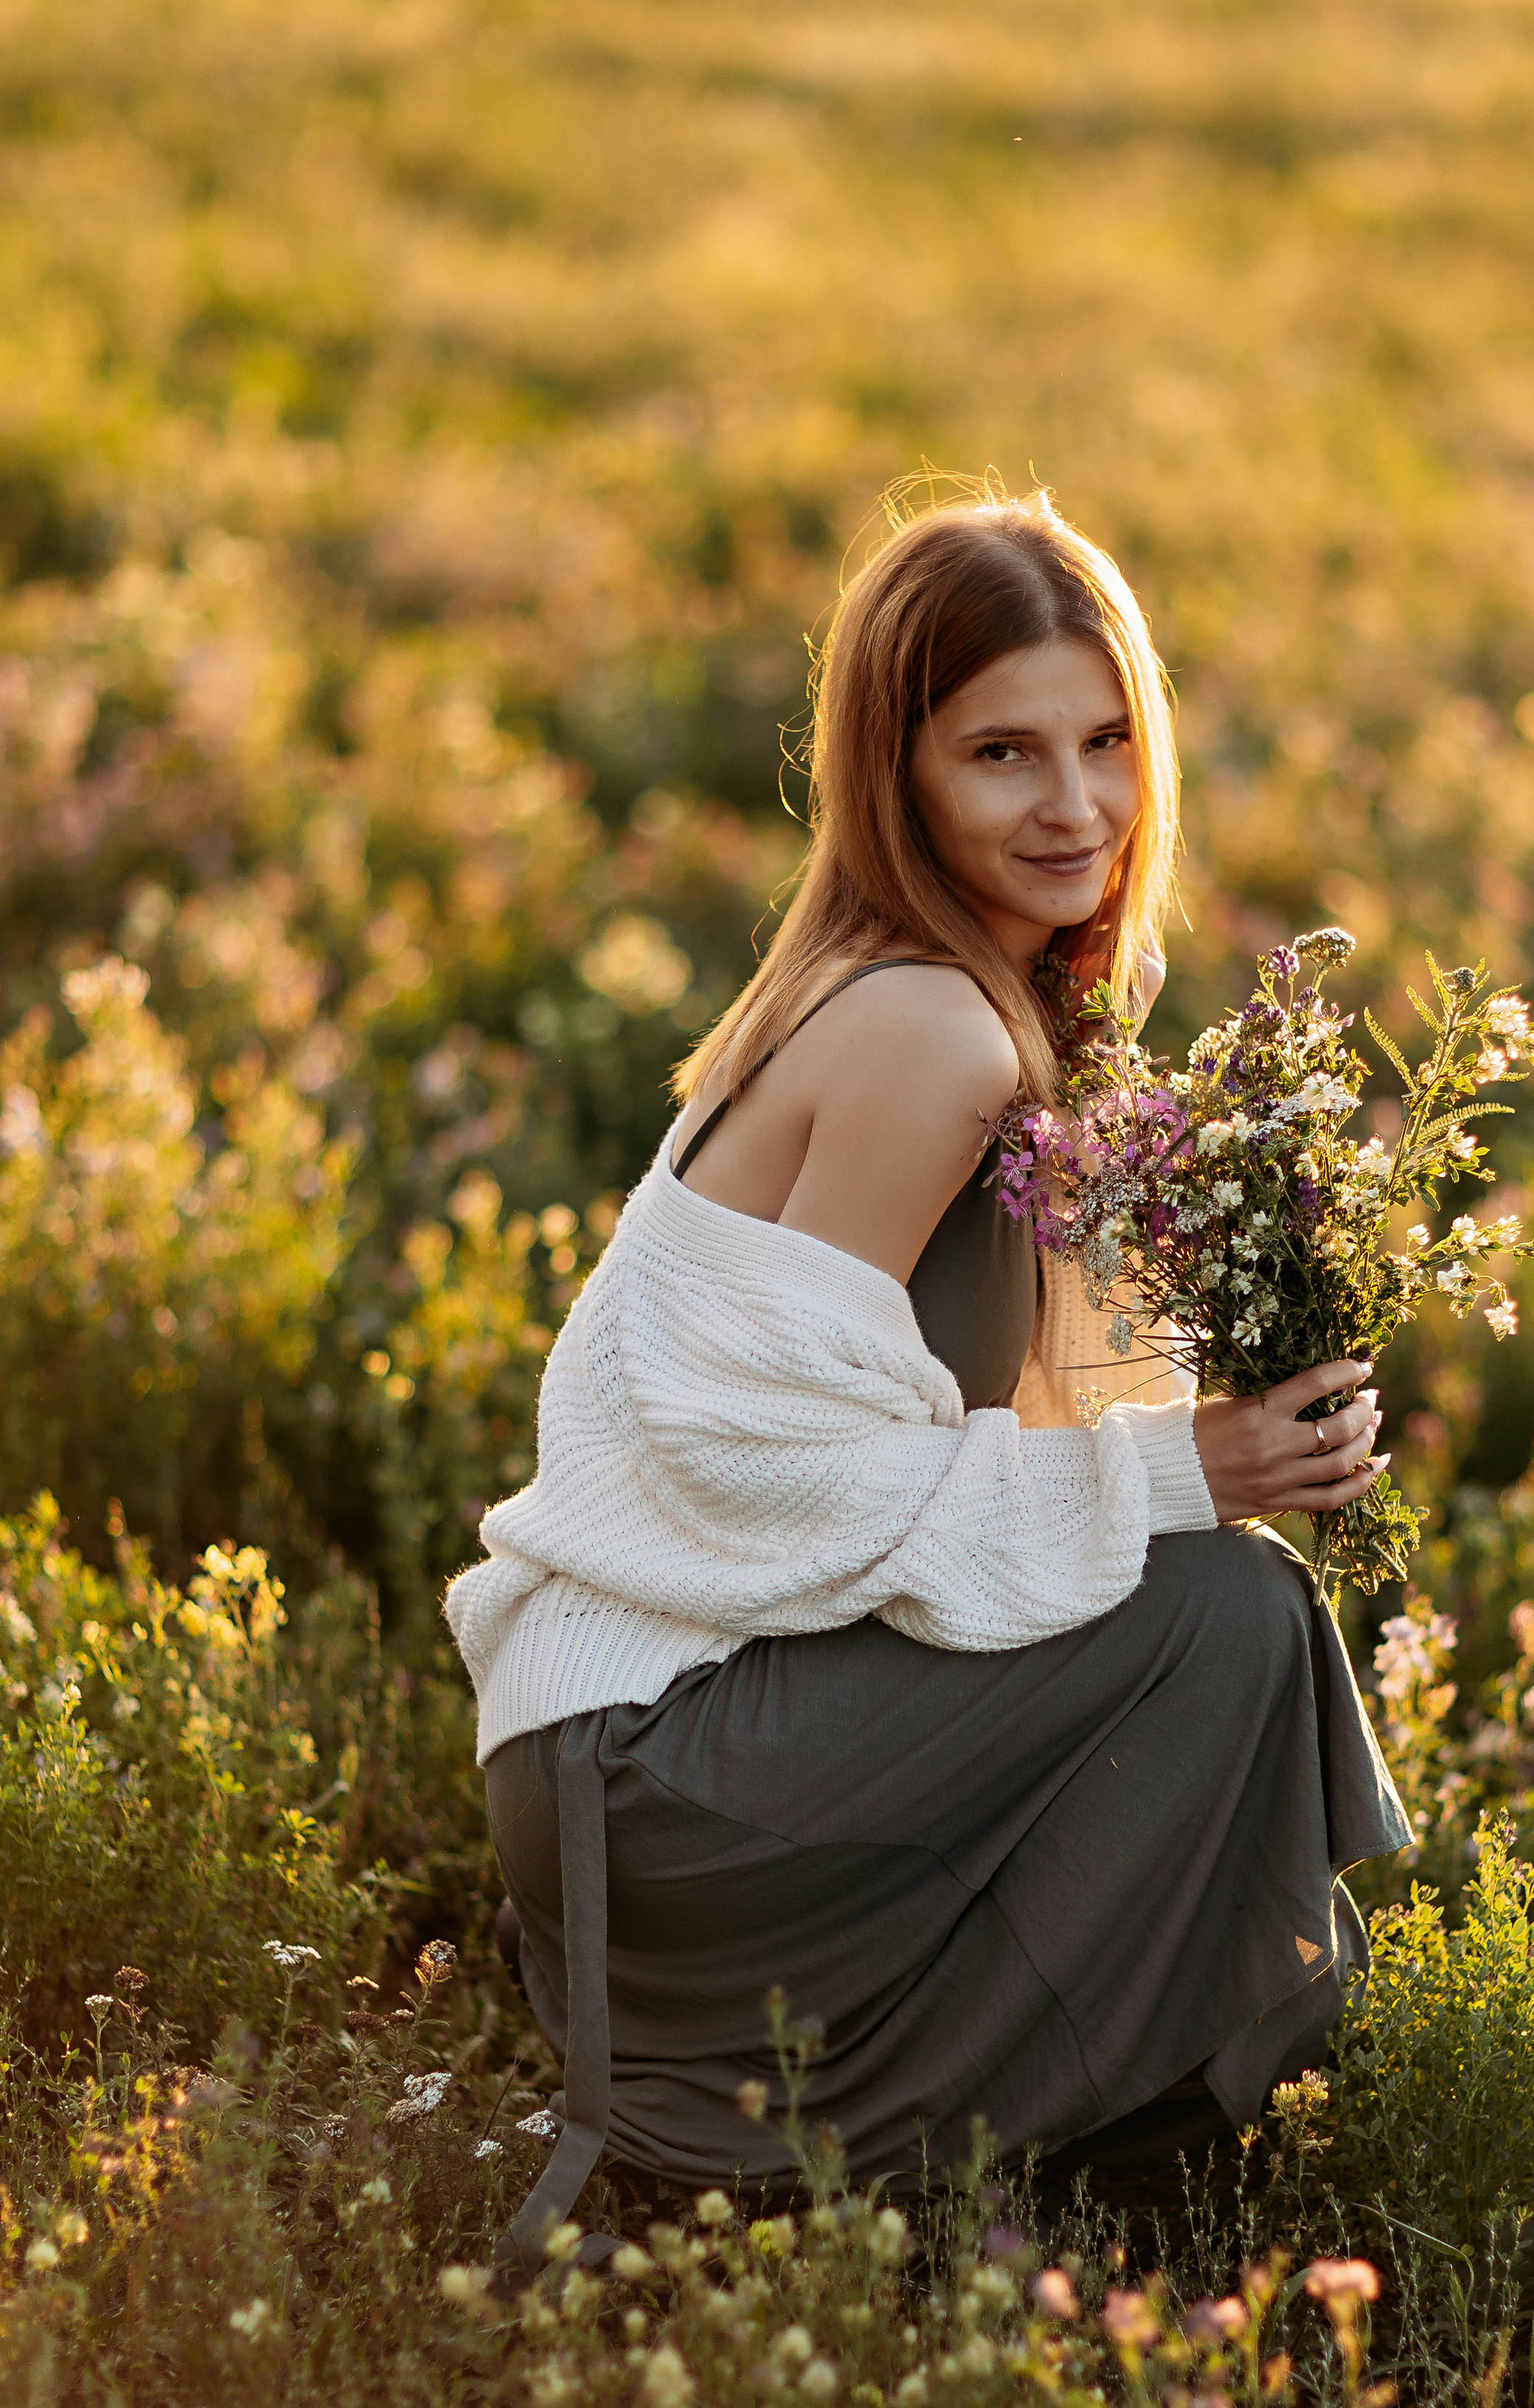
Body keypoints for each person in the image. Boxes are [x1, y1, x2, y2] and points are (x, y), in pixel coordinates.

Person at [446, 483, 1410, 2266]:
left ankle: (1054, 2143)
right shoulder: (925, 1031)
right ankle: (1061, 2157)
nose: (1076, 807)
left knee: (1211, 1606)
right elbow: (755, 1472)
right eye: (1001, 755)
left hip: (660, 1749)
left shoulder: (962, 998)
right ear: (897, 776)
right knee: (1222, 1615)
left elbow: (963, 1444)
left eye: (1109, 740)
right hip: (650, 1774)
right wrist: (1181, 1471)